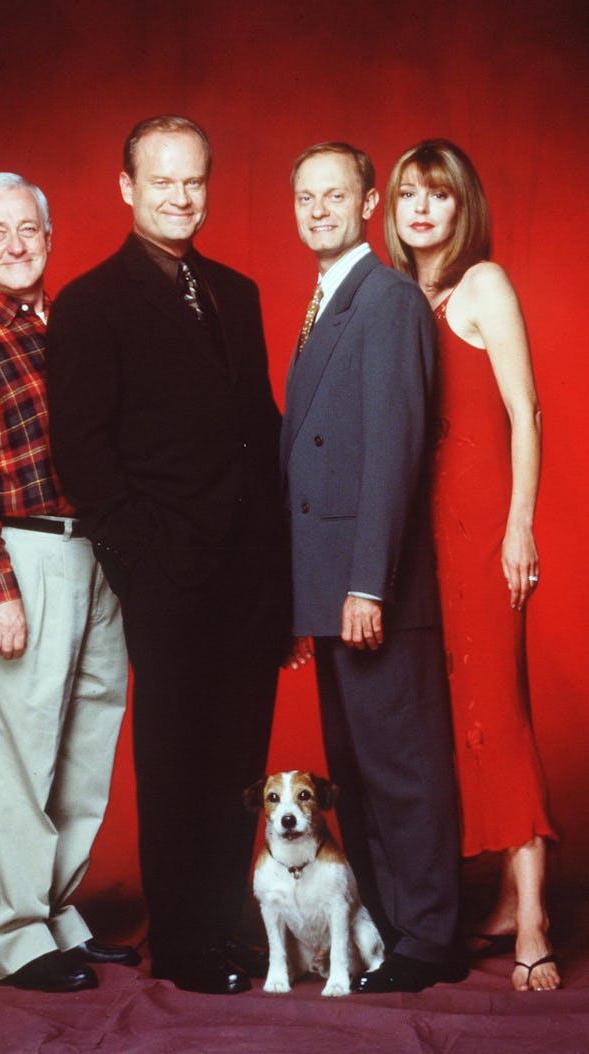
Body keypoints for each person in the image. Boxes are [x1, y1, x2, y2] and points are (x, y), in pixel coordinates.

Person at [46, 116, 288, 995]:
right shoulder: (89, 302)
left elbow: (260, 430)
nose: (181, 198)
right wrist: (144, 558)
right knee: (178, 759)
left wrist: (283, 569)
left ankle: (225, 928)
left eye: (194, 182)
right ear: (127, 188)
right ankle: (185, 946)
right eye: (162, 182)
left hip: (251, 571)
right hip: (166, 572)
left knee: (239, 761)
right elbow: (83, 452)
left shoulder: (236, 291)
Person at [0, 172, 135, 994]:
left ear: (49, 235)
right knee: (14, 757)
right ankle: (13, 937)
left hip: (94, 554)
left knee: (84, 745)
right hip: (18, 553)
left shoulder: (72, 323)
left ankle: (56, 914)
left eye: (29, 230)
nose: (15, 246)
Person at [283, 143, 463, 993]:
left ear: (367, 204)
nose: (319, 210)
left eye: (335, 195)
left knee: (402, 769)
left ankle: (430, 938)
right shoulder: (327, 299)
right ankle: (393, 933)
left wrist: (366, 583)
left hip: (370, 585)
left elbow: (394, 451)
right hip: (329, 585)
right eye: (305, 197)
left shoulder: (387, 299)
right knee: (356, 774)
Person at [385, 138, 559, 992]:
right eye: (408, 193)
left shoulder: (483, 284)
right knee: (447, 719)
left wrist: (519, 527)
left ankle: (533, 917)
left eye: (439, 193)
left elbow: (527, 411)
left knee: (500, 708)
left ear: (464, 206)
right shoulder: (398, 296)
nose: (422, 208)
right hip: (421, 539)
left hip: (482, 530)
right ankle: (499, 897)